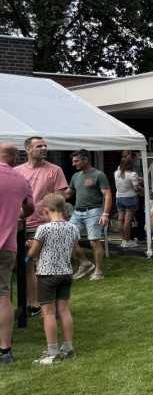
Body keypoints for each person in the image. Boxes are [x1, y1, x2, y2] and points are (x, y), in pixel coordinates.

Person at [14, 136, 87, 314]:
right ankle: (33, 305)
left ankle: (47, 304)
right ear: (28, 150)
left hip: (45, 224)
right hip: (21, 223)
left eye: (45, 145)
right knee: (27, 265)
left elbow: (60, 198)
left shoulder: (54, 170)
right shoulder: (17, 171)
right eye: (39, 146)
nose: (44, 148)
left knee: (47, 265)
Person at [26, 192, 79, 365]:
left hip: (47, 275)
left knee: (48, 313)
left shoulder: (43, 228)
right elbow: (73, 250)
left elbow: (34, 252)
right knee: (64, 310)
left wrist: (28, 254)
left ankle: (52, 352)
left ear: (46, 210)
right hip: (66, 273)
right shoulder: (73, 228)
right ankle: (68, 348)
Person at [0, 142, 34, 365]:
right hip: (6, 245)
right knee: (3, 295)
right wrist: (15, 211)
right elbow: (29, 210)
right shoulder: (21, 180)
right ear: (14, 158)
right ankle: (5, 351)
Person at [66, 149, 112, 281]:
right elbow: (68, 193)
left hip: (94, 211)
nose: (73, 164)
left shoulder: (98, 175)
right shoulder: (76, 176)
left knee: (94, 242)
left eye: (76, 161)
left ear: (85, 160)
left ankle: (98, 272)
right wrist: (52, 198)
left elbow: (107, 195)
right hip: (77, 212)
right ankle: (85, 263)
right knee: (67, 237)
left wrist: (106, 214)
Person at [113, 155, 141, 248]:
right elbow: (136, 188)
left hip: (119, 198)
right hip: (131, 198)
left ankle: (123, 240)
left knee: (120, 219)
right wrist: (140, 187)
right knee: (128, 221)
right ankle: (128, 240)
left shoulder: (116, 173)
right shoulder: (133, 174)